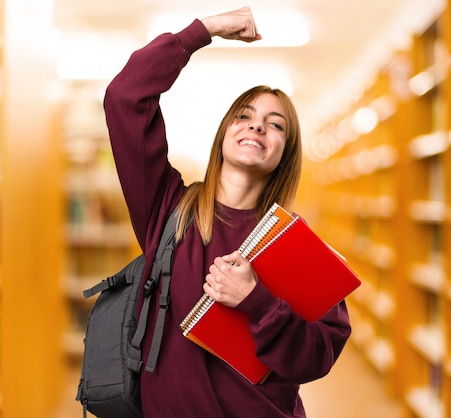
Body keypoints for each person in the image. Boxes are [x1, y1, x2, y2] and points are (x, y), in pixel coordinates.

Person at [103, 6, 351, 417]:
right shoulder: (169, 210)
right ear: (225, 133)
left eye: (276, 125)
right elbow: (125, 97)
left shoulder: (292, 242)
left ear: (286, 151)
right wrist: (203, 31)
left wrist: (257, 302)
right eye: (244, 116)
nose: (256, 127)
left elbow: (317, 356)